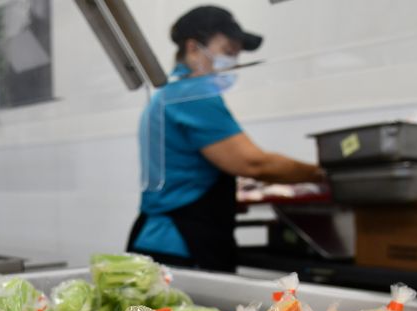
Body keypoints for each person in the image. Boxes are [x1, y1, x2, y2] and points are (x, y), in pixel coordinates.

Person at [127, 5, 324, 272]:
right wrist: (321, 174)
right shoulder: (192, 95)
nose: (232, 62)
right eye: (228, 52)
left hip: (161, 238)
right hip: (182, 244)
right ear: (194, 48)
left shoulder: (168, 94)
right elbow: (254, 163)